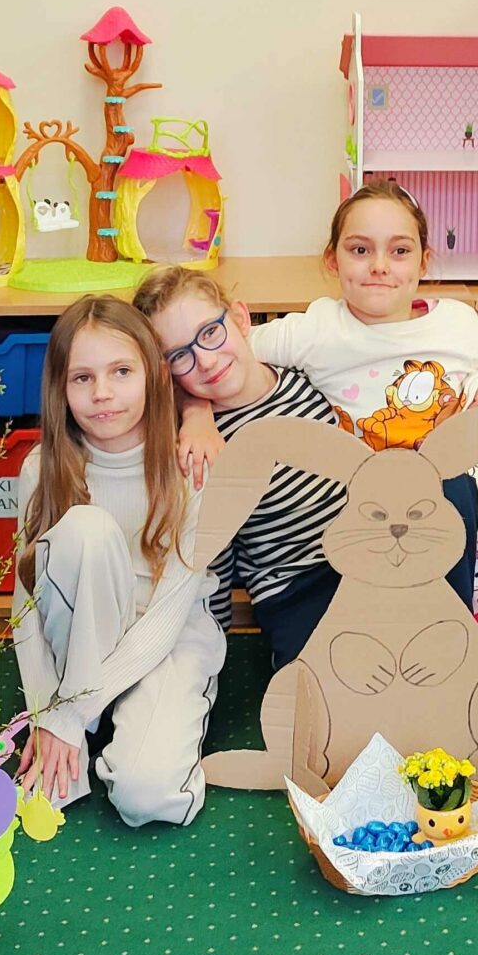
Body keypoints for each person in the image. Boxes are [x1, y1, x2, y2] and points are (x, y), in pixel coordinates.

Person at [181, 181, 478, 730]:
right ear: (332, 260)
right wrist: (195, 412)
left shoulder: (458, 325)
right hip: (462, 557)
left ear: (424, 261)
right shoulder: (315, 331)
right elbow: (222, 359)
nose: (379, 265)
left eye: (399, 250)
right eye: (360, 249)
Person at [11, 298, 224, 828]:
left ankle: (104, 725)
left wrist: (67, 714)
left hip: (165, 641)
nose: (102, 393)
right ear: (60, 387)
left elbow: (169, 620)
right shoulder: (43, 468)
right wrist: (44, 713)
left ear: (154, 375)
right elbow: (28, 607)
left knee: (146, 796)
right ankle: (84, 734)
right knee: (86, 528)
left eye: (121, 372)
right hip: (76, 638)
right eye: (82, 377)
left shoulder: (190, 467)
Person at [135, 265, 365, 670]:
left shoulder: (307, 376)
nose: (205, 361)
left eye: (210, 333)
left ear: (240, 318)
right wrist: (214, 648)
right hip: (294, 587)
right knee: (327, 692)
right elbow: (211, 553)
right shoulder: (202, 444)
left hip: (367, 556)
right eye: (180, 356)